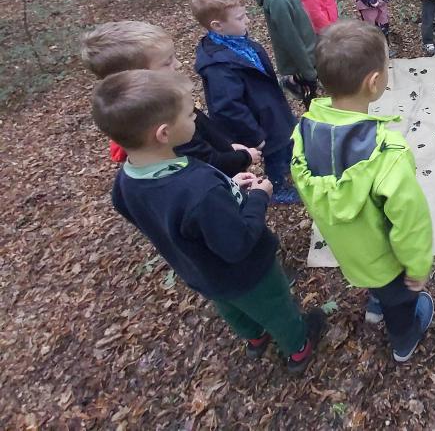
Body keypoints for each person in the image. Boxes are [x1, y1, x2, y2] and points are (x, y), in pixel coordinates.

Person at [91, 69, 326, 374]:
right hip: (249, 273)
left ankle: (255, 337)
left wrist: (229, 188)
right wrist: (258, 197)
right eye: (189, 115)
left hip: (201, 272)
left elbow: (155, 214)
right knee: (276, 308)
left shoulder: (125, 183)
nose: (195, 119)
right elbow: (239, 243)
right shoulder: (199, 189)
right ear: (163, 133)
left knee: (231, 308)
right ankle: (298, 347)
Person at [291, 20, 434, 363]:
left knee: (378, 284)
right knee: (401, 302)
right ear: (374, 82)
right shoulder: (387, 153)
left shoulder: (303, 132)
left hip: (350, 255)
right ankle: (403, 341)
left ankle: (375, 303)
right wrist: (417, 267)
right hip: (388, 262)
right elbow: (410, 223)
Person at [79, 20, 261, 175]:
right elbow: (208, 163)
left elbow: (203, 136)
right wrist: (244, 157)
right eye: (167, 62)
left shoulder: (166, 101)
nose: (179, 64)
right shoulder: (168, 124)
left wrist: (227, 147)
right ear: (138, 78)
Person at [192, 0, 300, 205]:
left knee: (287, 144)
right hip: (262, 125)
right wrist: (255, 136)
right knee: (275, 155)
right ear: (217, 26)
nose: (248, 21)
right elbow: (228, 107)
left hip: (272, 111)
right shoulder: (218, 67)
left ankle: (290, 166)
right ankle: (276, 187)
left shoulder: (238, 42)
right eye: (240, 18)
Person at [244, 0, 318, 106]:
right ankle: (292, 82)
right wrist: (308, 72)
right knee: (313, 105)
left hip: (309, 57)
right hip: (301, 64)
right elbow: (290, 39)